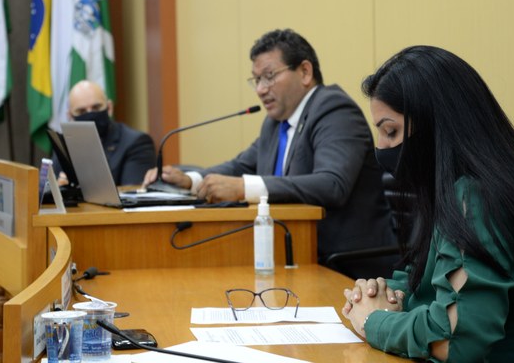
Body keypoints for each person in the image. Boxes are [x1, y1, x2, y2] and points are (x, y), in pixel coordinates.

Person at [342, 45, 514, 361]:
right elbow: (430, 278)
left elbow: (455, 340)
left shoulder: (479, 199)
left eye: (391, 131)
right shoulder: (462, 188)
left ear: (436, 124)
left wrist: (373, 321)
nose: (381, 148)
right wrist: (379, 293)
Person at [143, 29, 396, 277]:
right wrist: (190, 180)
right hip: (295, 256)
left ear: (305, 72)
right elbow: (241, 166)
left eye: (269, 76)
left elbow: (332, 185)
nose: (261, 89)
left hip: (348, 265)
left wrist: (243, 188)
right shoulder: (276, 123)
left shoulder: (334, 109)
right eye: (257, 80)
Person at [56, 80, 155, 186]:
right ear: (70, 116)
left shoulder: (136, 143)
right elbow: (52, 186)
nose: (90, 114)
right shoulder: (64, 144)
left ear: (109, 108)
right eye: (81, 111)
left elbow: (132, 191)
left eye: (96, 107)